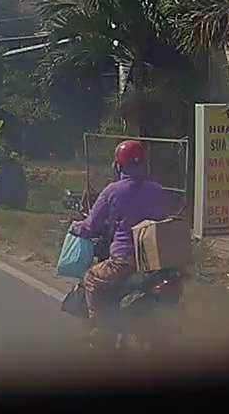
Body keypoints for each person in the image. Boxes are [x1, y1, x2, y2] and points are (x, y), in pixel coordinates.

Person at [68, 140, 170, 341]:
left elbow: (90, 226)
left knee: (91, 278)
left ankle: (101, 331)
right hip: (157, 263)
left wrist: (74, 227)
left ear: (117, 166)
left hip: (124, 262)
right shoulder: (158, 190)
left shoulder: (112, 191)